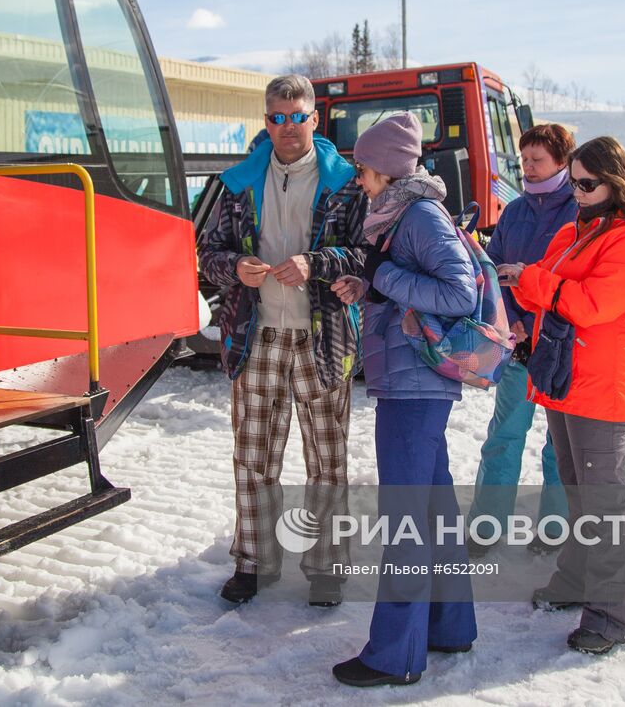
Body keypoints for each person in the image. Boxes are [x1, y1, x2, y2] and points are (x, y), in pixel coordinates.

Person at [497, 136, 625, 656]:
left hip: (603, 383)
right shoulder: (577, 229)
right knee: (578, 492)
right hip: (565, 377)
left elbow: (590, 303)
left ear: (616, 181)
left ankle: (612, 613)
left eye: (587, 183)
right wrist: (530, 281)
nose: (577, 191)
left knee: (603, 504)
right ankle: (576, 581)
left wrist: (535, 281)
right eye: (573, 182)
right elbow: (544, 286)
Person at [197, 74, 366, 607]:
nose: (287, 127)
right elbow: (206, 253)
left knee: (328, 459)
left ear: (315, 119)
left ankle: (326, 567)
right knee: (253, 456)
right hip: (257, 335)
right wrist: (234, 268)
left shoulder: (348, 183)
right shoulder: (237, 182)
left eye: (297, 116)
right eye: (277, 117)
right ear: (265, 120)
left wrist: (315, 264)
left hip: (323, 340)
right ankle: (253, 562)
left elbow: (367, 254)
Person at [329, 112, 477, 687]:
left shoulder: (418, 214)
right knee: (434, 514)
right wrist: (368, 284)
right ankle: (449, 625)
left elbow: (458, 292)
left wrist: (382, 276)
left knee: (407, 522)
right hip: (411, 378)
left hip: (414, 383)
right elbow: (409, 278)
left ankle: (395, 656)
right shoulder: (405, 213)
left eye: (363, 169)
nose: (359, 179)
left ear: (387, 170)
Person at [467, 124, 575, 554]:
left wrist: (536, 319)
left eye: (538, 160)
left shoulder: (577, 211)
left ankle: (555, 527)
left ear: (561, 162)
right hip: (516, 346)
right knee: (504, 436)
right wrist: (508, 317)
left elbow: (571, 279)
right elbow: (492, 270)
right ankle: (487, 525)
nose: (528, 167)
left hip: (560, 347)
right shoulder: (513, 211)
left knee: (558, 445)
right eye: (524, 159)